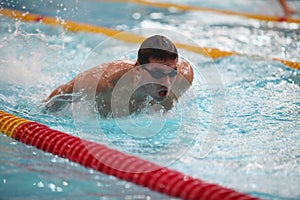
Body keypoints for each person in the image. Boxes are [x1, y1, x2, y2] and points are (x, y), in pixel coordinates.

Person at [44, 35, 194, 117]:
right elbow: (60, 96)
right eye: (157, 73)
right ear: (138, 69)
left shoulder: (183, 79)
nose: (166, 82)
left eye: (172, 73)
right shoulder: (104, 84)